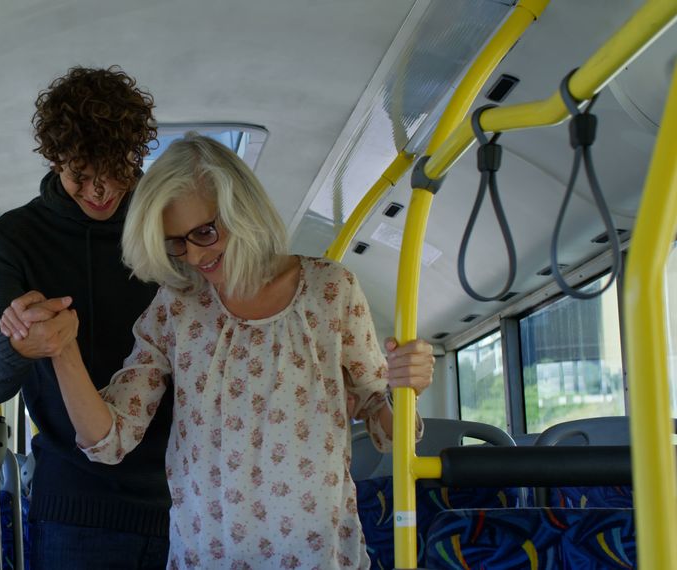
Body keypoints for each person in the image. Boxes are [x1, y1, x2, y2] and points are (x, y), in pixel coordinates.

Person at [41, 133, 433, 568]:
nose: (192, 256)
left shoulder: (330, 290)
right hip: (207, 554)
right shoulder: (177, 308)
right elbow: (109, 440)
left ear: (242, 210)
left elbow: (385, 429)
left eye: (204, 232)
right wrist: (63, 352)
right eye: (175, 243)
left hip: (318, 554)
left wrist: (405, 387)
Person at [0, 66, 171, 568]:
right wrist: (19, 344)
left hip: (191, 493)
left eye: (116, 172)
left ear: (137, 158)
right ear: (55, 159)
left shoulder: (170, 224)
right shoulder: (15, 239)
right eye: (81, 173)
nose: (100, 191)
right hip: (75, 509)